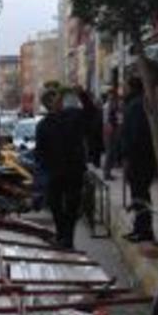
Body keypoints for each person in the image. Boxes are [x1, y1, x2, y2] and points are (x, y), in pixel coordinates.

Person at [36, 88, 87, 250]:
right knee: (59, 206)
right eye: (56, 99)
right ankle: (63, 237)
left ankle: (66, 238)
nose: (59, 101)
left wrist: (82, 95)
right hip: (61, 172)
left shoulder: (72, 116)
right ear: (50, 103)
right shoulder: (45, 124)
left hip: (68, 171)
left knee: (68, 207)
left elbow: (91, 114)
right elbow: (40, 152)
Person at [121, 78, 156, 243]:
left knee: (140, 195)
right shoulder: (136, 104)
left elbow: (135, 135)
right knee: (138, 195)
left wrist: (127, 155)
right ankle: (140, 228)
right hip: (140, 158)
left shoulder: (136, 106)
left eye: (125, 86)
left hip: (139, 159)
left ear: (132, 87)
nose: (123, 89)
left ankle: (144, 231)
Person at [102, 87, 123, 181]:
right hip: (108, 131)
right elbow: (106, 120)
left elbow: (117, 117)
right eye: (111, 96)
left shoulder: (114, 106)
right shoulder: (107, 106)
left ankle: (108, 172)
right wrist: (108, 128)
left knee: (111, 152)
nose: (113, 98)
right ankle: (106, 173)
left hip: (113, 130)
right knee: (109, 152)